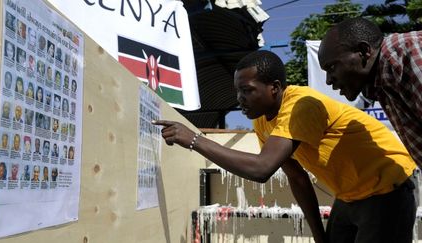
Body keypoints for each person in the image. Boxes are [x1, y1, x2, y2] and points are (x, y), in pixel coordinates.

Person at [153, 50, 417, 243]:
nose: (239, 100)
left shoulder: (302, 104)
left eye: (247, 90)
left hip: (386, 191)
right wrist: (319, 236)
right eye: (237, 92)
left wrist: (195, 140)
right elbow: (297, 177)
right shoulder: (262, 120)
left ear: (275, 88)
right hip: (349, 196)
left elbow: (262, 169)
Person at [318, 17, 422, 169]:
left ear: (363, 51)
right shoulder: (380, 84)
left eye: (332, 67)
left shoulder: (407, 50)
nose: (328, 80)